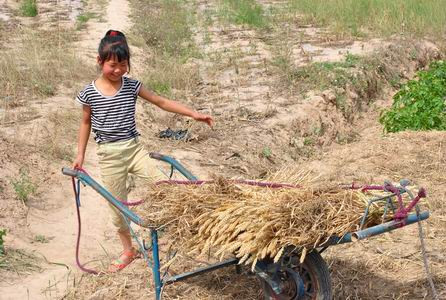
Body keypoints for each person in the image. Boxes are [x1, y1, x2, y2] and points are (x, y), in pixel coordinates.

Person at [72, 30, 213, 272]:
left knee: (163, 185)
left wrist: (192, 113)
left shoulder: (132, 86)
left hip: (134, 150)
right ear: (100, 61)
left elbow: (161, 101)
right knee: (118, 208)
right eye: (113, 65)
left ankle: (172, 229)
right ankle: (129, 250)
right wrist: (80, 154)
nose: (118, 71)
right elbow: (86, 123)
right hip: (109, 155)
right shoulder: (89, 93)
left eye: (123, 65)